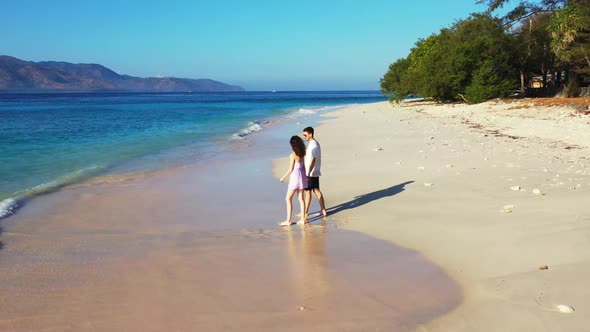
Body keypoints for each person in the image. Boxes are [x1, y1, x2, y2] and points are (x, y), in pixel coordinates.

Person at [279, 135, 308, 226]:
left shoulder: (292, 155)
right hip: (302, 176)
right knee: (301, 198)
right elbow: (303, 167)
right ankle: (303, 219)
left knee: (288, 198)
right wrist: (306, 176)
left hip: (295, 177)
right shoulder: (303, 153)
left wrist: (283, 177)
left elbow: (291, 169)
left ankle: (288, 220)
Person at [302, 126, 327, 218]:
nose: (304, 137)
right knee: (316, 190)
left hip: (311, 172)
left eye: (305, 135)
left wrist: (307, 173)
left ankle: (305, 212)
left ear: (310, 134)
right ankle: (323, 209)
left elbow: (313, 160)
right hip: (314, 172)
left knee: (308, 192)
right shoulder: (313, 144)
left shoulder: (314, 145)